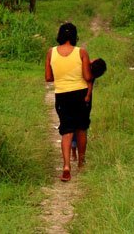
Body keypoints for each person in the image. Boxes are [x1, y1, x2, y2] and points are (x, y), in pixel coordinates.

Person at [45, 22, 92, 182]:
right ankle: (81, 163)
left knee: (66, 130)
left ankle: (66, 165)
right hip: (80, 93)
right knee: (81, 128)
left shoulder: (51, 52)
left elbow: (48, 77)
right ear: (74, 36)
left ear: (60, 35)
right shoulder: (81, 52)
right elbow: (87, 76)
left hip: (62, 95)